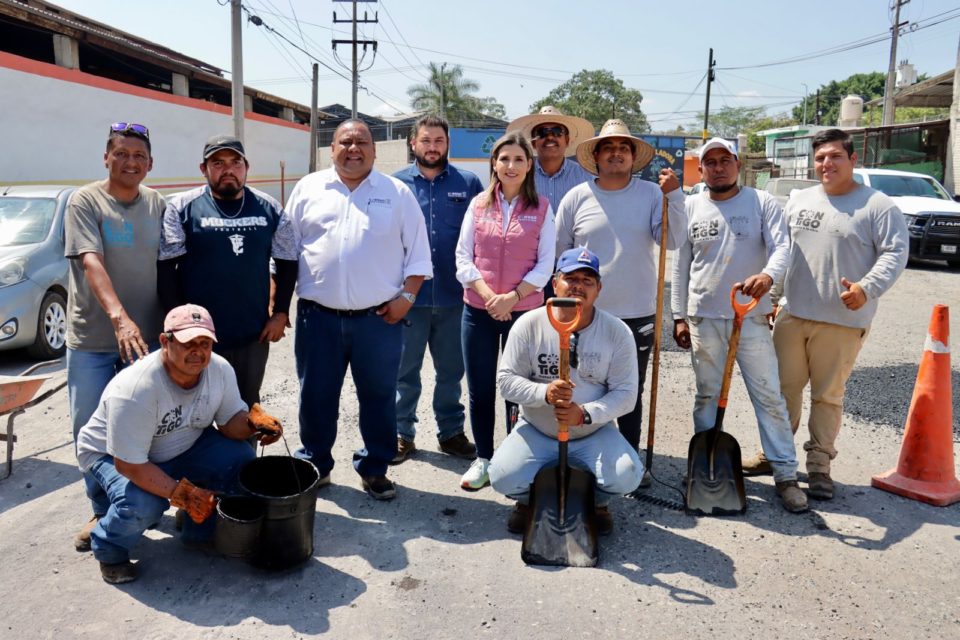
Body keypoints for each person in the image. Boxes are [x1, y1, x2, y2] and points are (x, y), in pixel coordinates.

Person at [74, 304, 283, 584]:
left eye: (205, 343)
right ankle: (109, 547)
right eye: (188, 343)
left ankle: (198, 530)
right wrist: (181, 493)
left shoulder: (219, 370)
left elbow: (229, 422)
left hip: (180, 442)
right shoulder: (137, 390)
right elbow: (130, 465)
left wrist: (252, 423)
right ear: (165, 341)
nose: (198, 351)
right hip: (113, 455)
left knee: (241, 460)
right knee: (145, 505)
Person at [284, 119, 432, 501]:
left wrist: (407, 299)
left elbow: (418, 256)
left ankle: (375, 467)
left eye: (362, 142)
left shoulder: (396, 192)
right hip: (317, 317)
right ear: (331, 148)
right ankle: (316, 464)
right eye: (345, 141)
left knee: (379, 395)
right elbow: (285, 251)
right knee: (315, 395)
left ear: (375, 150)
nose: (354, 148)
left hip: (378, 320)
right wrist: (276, 303)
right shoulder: (308, 188)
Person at [769, 128, 908, 500]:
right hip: (793, 315)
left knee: (827, 396)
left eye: (834, 156)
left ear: (852, 160)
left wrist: (867, 287)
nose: (826, 164)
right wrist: (774, 297)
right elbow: (787, 253)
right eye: (820, 158)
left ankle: (818, 466)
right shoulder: (799, 200)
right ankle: (778, 456)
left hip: (842, 322)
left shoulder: (877, 206)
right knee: (783, 393)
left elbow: (895, 253)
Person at [671, 138, 807, 513]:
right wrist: (678, 316)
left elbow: (783, 247)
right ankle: (706, 465)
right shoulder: (691, 206)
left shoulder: (761, 202)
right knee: (707, 395)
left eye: (724, 160)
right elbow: (682, 266)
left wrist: (767, 277)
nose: (718, 167)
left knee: (769, 396)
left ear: (737, 163)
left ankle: (785, 474)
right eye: (709, 162)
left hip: (749, 318)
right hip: (704, 318)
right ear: (701, 170)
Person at [554, 119, 687, 485]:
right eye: (608, 148)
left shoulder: (651, 195)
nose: (616, 153)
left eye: (623, 148)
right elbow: (558, 253)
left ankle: (628, 461)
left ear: (633, 157)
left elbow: (673, 241)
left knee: (629, 392)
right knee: (580, 386)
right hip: (581, 315)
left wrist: (674, 196)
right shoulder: (576, 197)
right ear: (596, 156)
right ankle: (580, 455)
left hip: (636, 312)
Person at [489, 247, 643, 535]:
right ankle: (527, 501)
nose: (578, 286)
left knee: (627, 476)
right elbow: (506, 381)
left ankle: (596, 503)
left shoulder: (617, 332)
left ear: (599, 289)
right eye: (570, 277)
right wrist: (544, 393)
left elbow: (626, 395)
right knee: (501, 477)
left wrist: (584, 414)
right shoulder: (528, 324)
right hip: (538, 430)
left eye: (588, 280)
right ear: (554, 282)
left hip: (593, 433)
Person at [65, 122, 166, 552]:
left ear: (150, 163)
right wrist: (118, 317)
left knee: (145, 425)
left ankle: (142, 497)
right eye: (121, 154)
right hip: (92, 340)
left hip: (144, 346)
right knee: (90, 430)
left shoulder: (157, 204)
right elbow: (91, 261)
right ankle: (102, 506)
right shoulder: (85, 201)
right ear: (106, 157)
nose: (130, 162)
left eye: (138, 156)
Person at [158, 134, 298, 409]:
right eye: (218, 163)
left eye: (235, 162)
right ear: (204, 169)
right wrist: (178, 330)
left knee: (246, 410)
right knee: (193, 410)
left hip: (252, 335)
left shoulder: (270, 209)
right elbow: (166, 270)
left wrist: (281, 312)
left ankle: (244, 455)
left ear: (246, 166)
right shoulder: (182, 208)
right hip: (197, 336)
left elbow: (288, 261)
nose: (228, 170)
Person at [454, 132, 556, 491]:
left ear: (529, 166)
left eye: (518, 160)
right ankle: (484, 458)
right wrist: (488, 295)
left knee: (519, 389)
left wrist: (512, 298)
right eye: (504, 159)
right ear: (494, 164)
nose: (511, 166)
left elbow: (546, 266)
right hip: (478, 312)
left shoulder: (542, 208)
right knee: (481, 390)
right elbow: (463, 258)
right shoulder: (478, 206)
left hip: (524, 313)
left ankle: (515, 459)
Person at [391, 116, 483, 464]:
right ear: (413, 143)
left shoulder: (469, 183)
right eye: (425, 140)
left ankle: (451, 433)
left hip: (455, 297)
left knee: (451, 371)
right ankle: (402, 433)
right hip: (408, 298)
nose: (432, 147)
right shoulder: (395, 185)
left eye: (439, 141)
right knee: (404, 371)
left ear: (448, 144)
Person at [508, 105, 595, 210]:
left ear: (567, 140)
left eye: (557, 131)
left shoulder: (586, 177)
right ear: (533, 143)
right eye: (542, 133)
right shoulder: (520, 176)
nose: (550, 137)